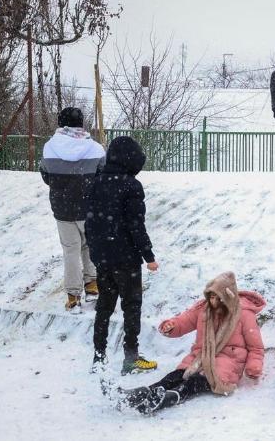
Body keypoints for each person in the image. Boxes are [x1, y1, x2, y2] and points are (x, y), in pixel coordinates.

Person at [118, 272, 265, 414]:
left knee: (197, 380)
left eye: (217, 298)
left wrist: (254, 366)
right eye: (211, 297)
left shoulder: (244, 314)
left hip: (229, 360)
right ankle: (146, 393)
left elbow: (256, 347)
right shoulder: (203, 310)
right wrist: (171, 326)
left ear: (227, 297)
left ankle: (172, 396)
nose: (213, 302)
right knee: (177, 375)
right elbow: (184, 320)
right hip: (201, 355)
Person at [86, 136, 159, 375]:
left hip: (103, 258)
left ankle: (98, 357)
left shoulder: (96, 182)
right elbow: (135, 224)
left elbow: (91, 223)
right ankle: (131, 357)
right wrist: (148, 256)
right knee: (131, 306)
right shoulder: (131, 186)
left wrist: (96, 253)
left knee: (104, 307)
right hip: (126, 258)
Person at [40, 107, 106, 312]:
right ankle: (92, 287)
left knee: (70, 251)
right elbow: (102, 176)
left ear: (61, 123)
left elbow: (46, 176)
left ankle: (73, 297)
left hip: (62, 209)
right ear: (81, 123)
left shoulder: (50, 147)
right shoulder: (95, 148)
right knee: (89, 247)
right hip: (89, 208)